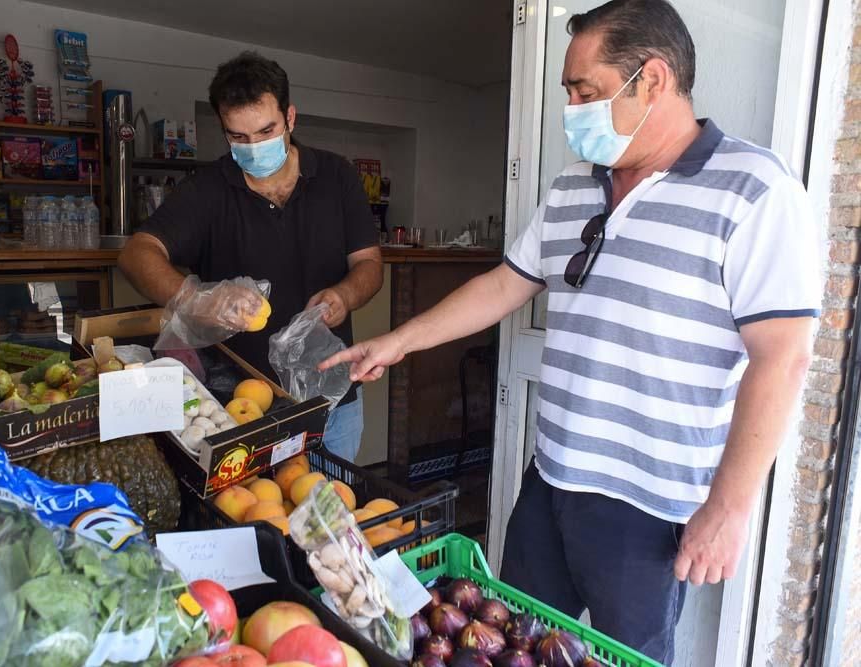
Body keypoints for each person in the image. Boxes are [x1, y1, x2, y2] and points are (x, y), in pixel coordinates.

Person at [319, 0, 820, 661]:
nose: (572, 109)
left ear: (653, 80)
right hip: (551, 480)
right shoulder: (572, 187)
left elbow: (782, 358)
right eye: (568, 93)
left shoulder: (754, 190)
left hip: (648, 510)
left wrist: (727, 508)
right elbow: (506, 284)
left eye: (585, 91)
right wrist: (398, 339)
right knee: (511, 642)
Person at [120, 51, 382, 462]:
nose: (254, 146)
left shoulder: (337, 177)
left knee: (332, 509)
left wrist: (345, 296)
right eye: (238, 137)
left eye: (266, 131)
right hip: (241, 405)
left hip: (332, 399)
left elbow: (369, 264)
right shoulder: (207, 190)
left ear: (290, 118)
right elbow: (137, 254)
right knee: (256, 518)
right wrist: (194, 299)